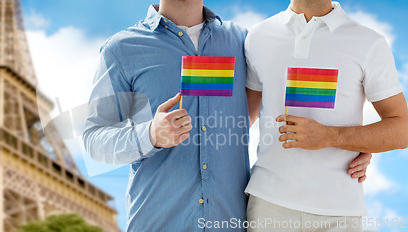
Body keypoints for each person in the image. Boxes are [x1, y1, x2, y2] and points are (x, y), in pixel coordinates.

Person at [83, 0, 370, 231]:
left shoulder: (243, 41)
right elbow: (93, 141)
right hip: (158, 221)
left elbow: (287, 100)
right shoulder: (122, 49)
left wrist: (347, 144)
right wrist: (149, 134)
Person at [244, 0, 408, 231]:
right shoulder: (258, 36)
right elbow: (240, 121)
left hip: (340, 212)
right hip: (268, 205)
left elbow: (402, 130)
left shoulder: (369, 42)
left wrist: (333, 136)